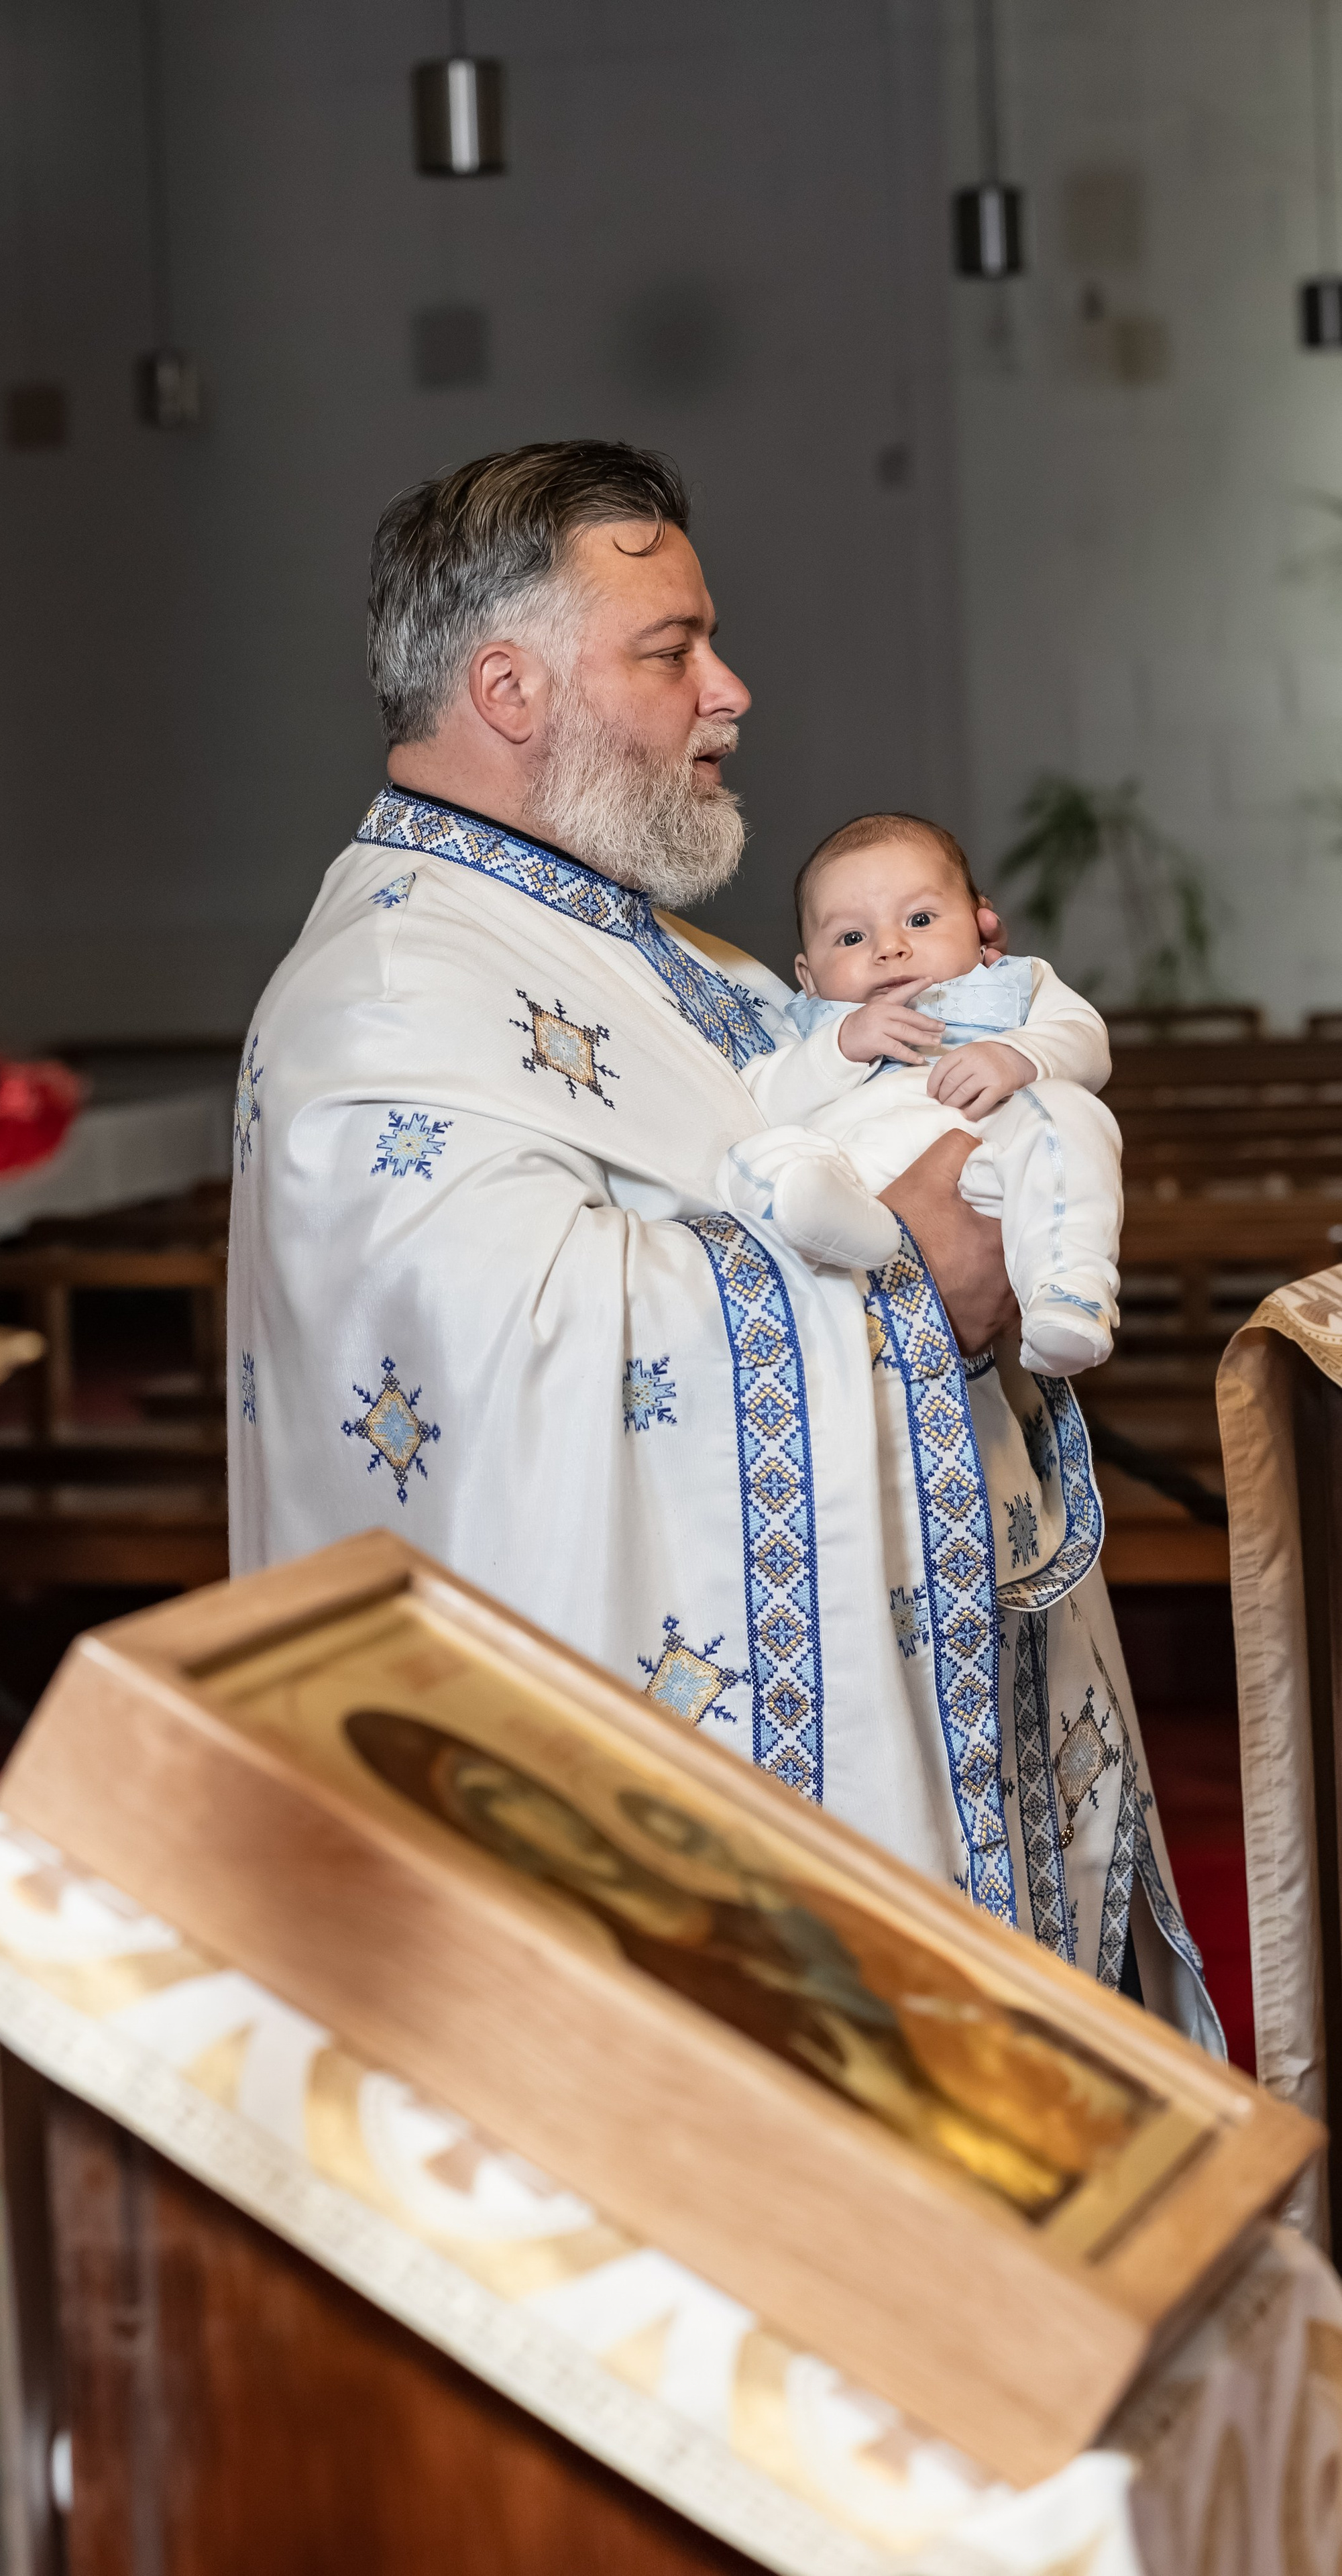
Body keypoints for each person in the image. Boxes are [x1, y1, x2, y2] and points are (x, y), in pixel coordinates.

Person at [227, 438, 1220, 2051]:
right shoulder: (385, 997)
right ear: (507, 688)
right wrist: (911, 1279)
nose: (730, 691)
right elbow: (517, 1381)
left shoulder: (650, 947)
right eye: (670, 648)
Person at [722, 812, 1123, 1379]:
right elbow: (760, 1100)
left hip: (989, 1167)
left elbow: (1086, 1040)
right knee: (752, 1156)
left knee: (1072, 1115)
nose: (890, 948)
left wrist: (1019, 1057)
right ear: (808, 977)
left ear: (980, 923)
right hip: (856, 1173)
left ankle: (1070, 1291)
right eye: (852, 937)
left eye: (920, 918)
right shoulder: (815, 1025)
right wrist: (840, 1046)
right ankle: (844, 1223)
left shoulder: (1009, 986)